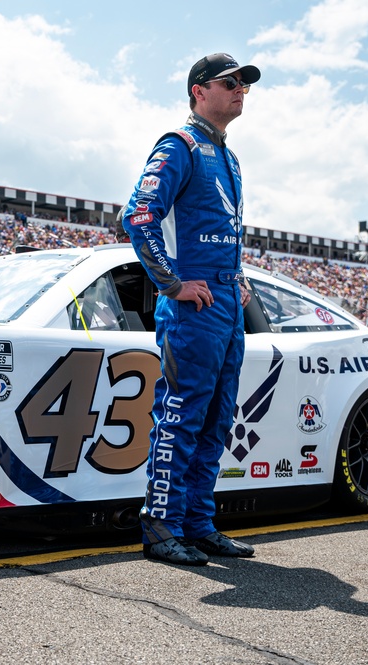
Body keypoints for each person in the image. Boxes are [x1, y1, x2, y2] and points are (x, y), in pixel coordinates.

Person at [121, 53, 260, 566]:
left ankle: (199, 524)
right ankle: (161, 527)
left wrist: (239, 280)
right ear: (199, 91)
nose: (241, 89)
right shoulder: (178, 145)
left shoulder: (229, 156)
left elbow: (225, 233)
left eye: (245, 83)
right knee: (180, 414)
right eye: (231, 82)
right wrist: (173, 284)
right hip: (193, 310)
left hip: (226, 302)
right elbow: (138, 217)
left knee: (217, 419)